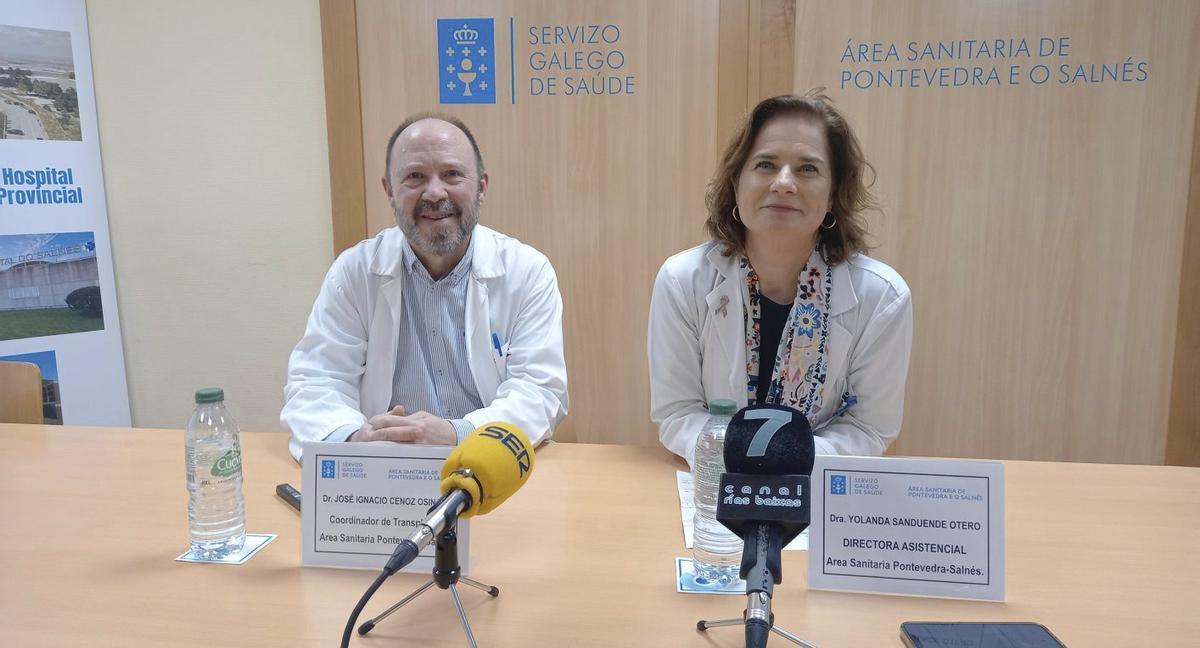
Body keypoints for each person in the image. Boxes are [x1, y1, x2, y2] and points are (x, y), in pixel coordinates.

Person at [648, 91, 912, 467]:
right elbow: (678, 412)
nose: (784, 183)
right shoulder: (682, 281)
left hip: (815, 484)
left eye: (808, 169)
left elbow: (868, 427)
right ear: (736, 183)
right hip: (716, 484)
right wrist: (737, 458)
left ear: (833, 194)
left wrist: (786, 460)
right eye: (766, 164)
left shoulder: (882, 297)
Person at [282, 113, 568, 460]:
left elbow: (539, 392)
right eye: (415, 176)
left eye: (452, 174)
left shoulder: (527, 272)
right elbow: (316, 382)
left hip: (489, 468)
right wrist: (356, 440)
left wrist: (455, 434)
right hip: (384, 471)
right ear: (390, 190)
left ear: (481, 186)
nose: (434, 193)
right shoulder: (354, 272)